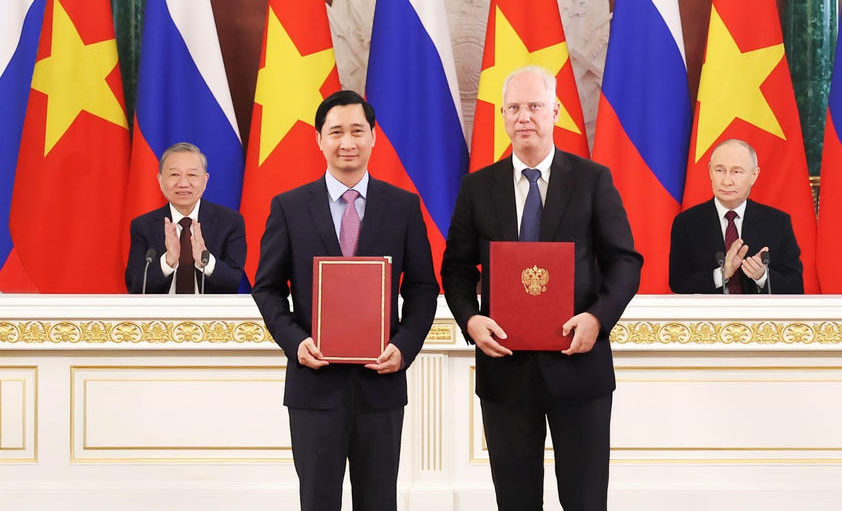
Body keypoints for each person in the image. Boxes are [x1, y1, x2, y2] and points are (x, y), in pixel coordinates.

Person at [442, 65, 642, 511]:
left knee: (585, 501)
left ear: (555, 112)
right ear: (502, 115)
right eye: (514, 108)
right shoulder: (477, 188)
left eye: (534, 106)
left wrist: (597, 319)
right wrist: (471, 320)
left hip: (579, 365)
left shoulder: (592, 180)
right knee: (516, 501)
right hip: (505, 370)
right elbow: (455, 269)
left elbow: (625, 262)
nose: (524, 116)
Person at [251, 90, 438, 511]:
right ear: (319, 139)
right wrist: (296, 342)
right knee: (318, 501)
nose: (347, 142)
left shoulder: (403, 206)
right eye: (336, 132)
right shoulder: (289, 207)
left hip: (381, 384)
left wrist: (403, 347)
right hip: (314, 386)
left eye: (357, 131)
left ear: (373, 137)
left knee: (379, 502)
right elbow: (267, 288)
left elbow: (423, 288)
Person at [669, 138, 803, 294]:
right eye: (719, 170)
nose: (727, 181)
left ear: (754, 175)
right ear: (710, 171)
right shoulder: (687, 223)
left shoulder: (777, 222)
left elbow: (795, 286)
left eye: (736, 172)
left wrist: (761, 276)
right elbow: (678, 283)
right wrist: (722, 274)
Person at [125, 142, 246, 294]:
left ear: (205, 180)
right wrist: (167, 262)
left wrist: (206, 260)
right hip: (161, 310)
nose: (183, 183)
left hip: (211, 310)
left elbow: (233, 282)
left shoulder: (230, 222)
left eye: (192, 175)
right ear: (160, 180)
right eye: (174, 174)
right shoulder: (143, 225)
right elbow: (135, 285)